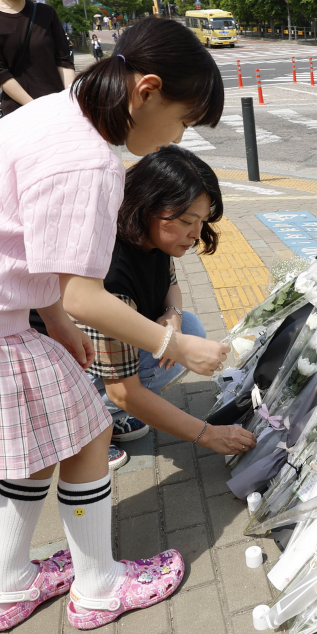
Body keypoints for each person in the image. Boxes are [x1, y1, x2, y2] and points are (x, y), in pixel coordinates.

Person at [0, 16, 251, 634]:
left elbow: (33, 250)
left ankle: (8, 587)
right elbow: (87, 297)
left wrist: (55, 323)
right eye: (181, 118)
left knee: (43, 443)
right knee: (88, 431)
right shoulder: (88, 164)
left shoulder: (56, 111)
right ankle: (99, 587)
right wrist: (179, 345)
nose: (179, 134)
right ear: (146, 90)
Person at [33, 146, 254, 462]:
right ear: (149, 206)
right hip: (56, 368)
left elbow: (171, 284)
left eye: (202, 221)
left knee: (189, 326)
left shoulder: (153, 236)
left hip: (98, 349)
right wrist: (210, 435)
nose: (195, 234)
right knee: (126, 389)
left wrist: (172, 317)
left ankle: (107, 416)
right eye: (187, 221)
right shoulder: (109, 273)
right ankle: (83, 428)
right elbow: (123, 390)